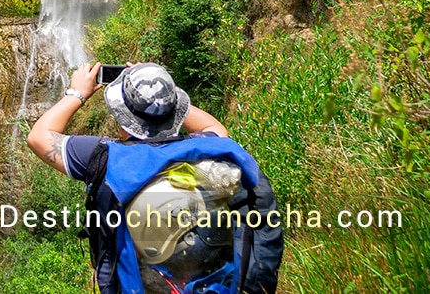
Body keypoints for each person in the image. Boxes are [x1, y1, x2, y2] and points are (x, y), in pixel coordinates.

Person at [27, 62, 282, 294]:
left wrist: (77, 93)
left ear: (122, 117)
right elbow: (216, 129)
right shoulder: (206, 146)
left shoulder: (105, 158)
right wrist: (161, 92)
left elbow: (38, 137)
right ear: (177, 110)